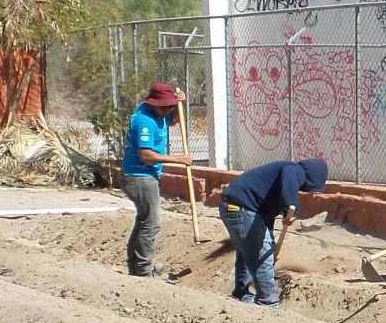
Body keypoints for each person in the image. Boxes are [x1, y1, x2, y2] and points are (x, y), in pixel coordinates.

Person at [218, 158, 329, 308]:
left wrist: (271, 244)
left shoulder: (276, 182)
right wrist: (290, 208)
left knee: (247, 253)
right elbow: (288, 178)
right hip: (242, 208)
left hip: (234, 207)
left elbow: (265, 218)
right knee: (261, 256)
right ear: (313, 177)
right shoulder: (293, 169)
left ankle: (241, 294)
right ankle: (268, 302)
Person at [121, 83, 193, 277]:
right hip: (140, 177)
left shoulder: (159, 113)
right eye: (165, 107)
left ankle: (136, 267)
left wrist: (180, 105)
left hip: (145, 175)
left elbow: (173, 120)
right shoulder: (144, 122)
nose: (168, 110)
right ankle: (144, 271)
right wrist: (177, 159)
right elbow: (145, 155)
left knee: (143, 221)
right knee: (151, 223)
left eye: (170, 106)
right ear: (154, 104)